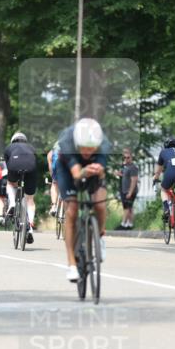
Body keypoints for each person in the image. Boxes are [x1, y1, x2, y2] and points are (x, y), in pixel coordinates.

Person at [56, 118, 110, 282]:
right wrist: (85, 170)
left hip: (91, 168)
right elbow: (77, 174)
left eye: (91, 149)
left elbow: (102, 174)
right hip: (68, 169)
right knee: (72, 210)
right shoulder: (67, 142)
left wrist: (99, 172)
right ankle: (71, 264)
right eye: (84, 148)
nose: (87, 151)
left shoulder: (104, 145)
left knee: (100, 204)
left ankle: (99, 236)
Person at [4, 131, 38, 244]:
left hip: (14, 166)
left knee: (10, 183)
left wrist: (15, 180)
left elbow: (8, 165)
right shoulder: (31, 148)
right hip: (31, 169)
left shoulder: (9, 147)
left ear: (13, 140)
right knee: (30, 200)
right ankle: (31, 226)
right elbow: (35, 162)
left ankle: (13, 203)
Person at [154, 137, 175, 225]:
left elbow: (158, 170)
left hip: (170, 172)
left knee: (163, 189)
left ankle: (166, 209)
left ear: (165, 146)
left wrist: (156, 178)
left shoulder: (163, 152)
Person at [116, 148, 139, 230]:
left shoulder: (133, 167)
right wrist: (119, 174)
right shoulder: (126, 166)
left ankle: (123, 224)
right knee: (129, 208)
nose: (126, 159)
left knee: (127, 207)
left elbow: (134, 180)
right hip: (124, 190)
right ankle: (129, 224)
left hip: (130, 190)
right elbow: (126, 176)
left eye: (128, 157)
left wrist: (130, 192)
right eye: (124, 157)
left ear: (131, 157)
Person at [48, 141, 61, 217]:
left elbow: (50, 168)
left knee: (54, 183)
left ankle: (54, 206)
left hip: (56, 165)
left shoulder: (51, 152)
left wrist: (53, 178)